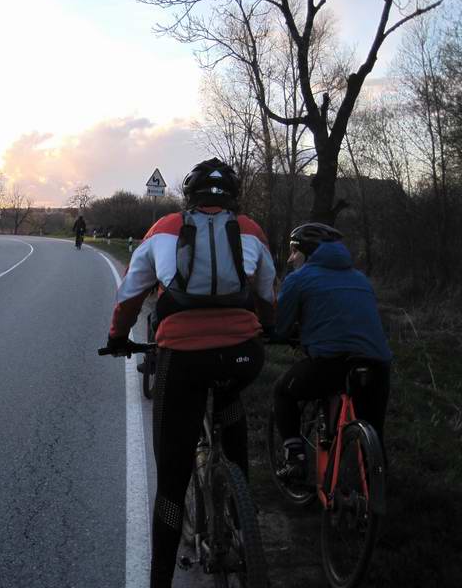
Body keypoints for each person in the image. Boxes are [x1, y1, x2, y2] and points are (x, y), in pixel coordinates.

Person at [104, 158, 276, 587]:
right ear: (232, 197)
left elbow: (130, 294)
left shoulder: (164, 228)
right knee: (229, 403)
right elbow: (270, 291)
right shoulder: (250, 230)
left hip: (182, 358)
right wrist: (267, 329)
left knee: (172, 482)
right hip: (241, 355)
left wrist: (118, 337)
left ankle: (160, 579)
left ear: (191, 195)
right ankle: (240, 507)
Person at [273, 222, 392, 479]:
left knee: (282, 391)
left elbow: (280, 327)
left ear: (307, 252)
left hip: (332, 364)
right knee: (373, 428)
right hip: (378, 363)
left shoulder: (299, 279)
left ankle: (295, 457)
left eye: (294, 251)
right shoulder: (361, 279)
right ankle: (376, 482)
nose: (291, 258)